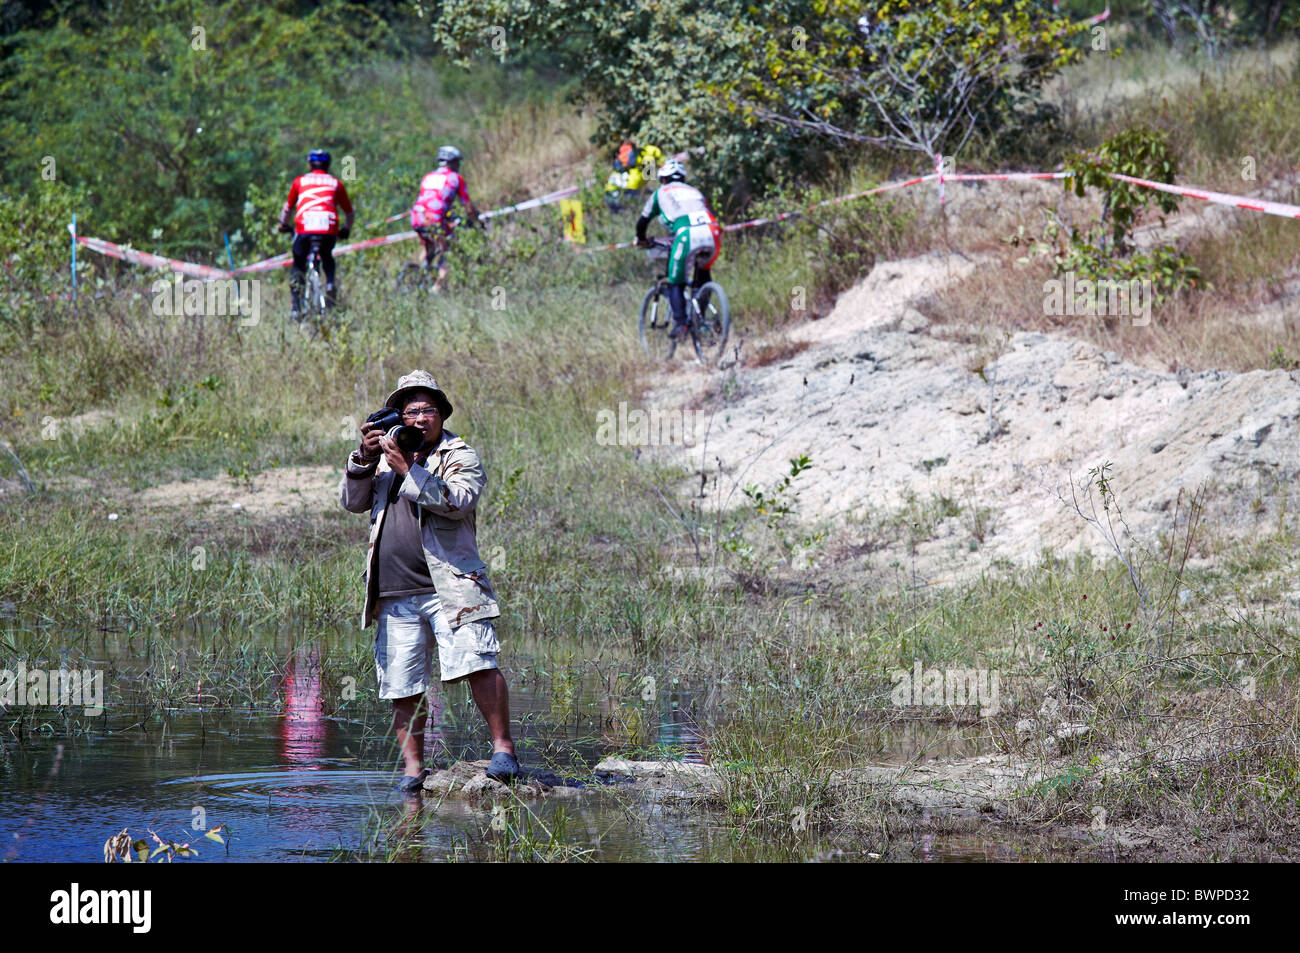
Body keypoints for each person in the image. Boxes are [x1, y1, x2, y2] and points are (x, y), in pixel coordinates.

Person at [339, 370, 519, 793]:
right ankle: (413, 769)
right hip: (394, 589)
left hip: (451, 587)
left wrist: (411, 471)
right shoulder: (384, 456)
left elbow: (457, 502)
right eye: (410, 411)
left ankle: (504, 750)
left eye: (428, 410)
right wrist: (363, 459)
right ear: (397, 418)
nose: (419, 418)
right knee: (403, 683)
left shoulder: (459, 454)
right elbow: (351, 502)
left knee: (478, 662)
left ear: (442, 415)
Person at [635, 159, 721, 338]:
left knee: (676, 281)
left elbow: (642, 222)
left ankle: (681, 325)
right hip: (713, 232)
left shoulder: (660, 193)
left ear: (663, 179)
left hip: (686, 234)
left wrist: (642, 240)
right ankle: (701, 319)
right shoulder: (694, 191)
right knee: (703, 271)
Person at [277, 149, 354, 320]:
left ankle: (296, 308)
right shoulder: (336, 183)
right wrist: (346, 230)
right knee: (327, 255)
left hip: (305, 226)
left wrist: (284, 224)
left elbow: (287, 208)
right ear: (328, 165)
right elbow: (349, 212)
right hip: (329, 227)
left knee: (298, 263)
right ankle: (330, 282)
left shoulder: (299, 182)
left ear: (309, 165)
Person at [410, 145, 479, 292]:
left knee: (429, 247)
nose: (459, 166)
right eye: (457, 162)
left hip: (416, 217)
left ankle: (418, 277)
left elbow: (432, 199)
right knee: (448, 249)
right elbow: (468, 207)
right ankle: (437, 288)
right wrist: (476, 220)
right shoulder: (456, 178)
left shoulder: (428, 177)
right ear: (452, 162)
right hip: (433, 220)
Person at [604, 140, 664, 213]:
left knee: (631, 201)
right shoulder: (653, 151)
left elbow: (630, 163)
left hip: (633, 181)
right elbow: (652, 173)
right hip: (638, 179)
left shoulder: (634, 152)